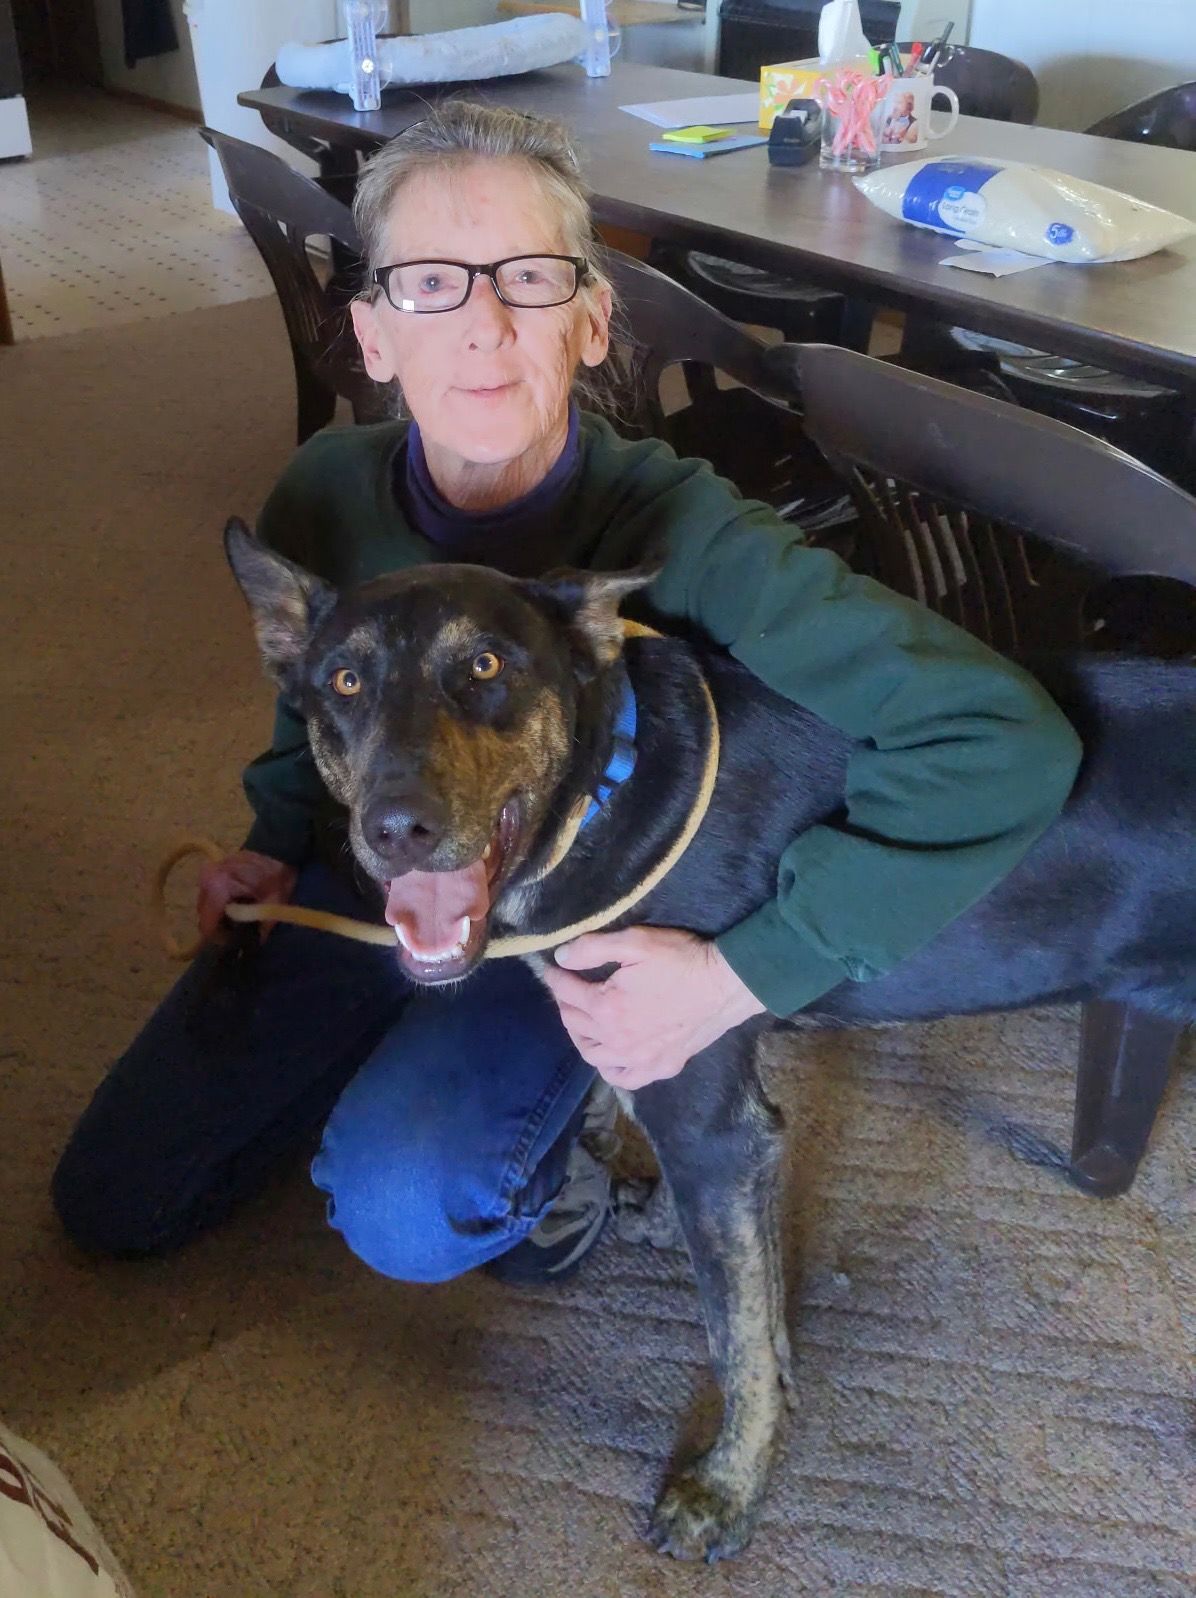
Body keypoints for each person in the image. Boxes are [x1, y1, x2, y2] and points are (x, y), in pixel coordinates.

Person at [53, 101, 1081, 1286]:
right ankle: (397, 1032)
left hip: (581, 918)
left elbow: (999, 737)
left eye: (531, 279)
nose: (484, 324)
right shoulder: (322, 496)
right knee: (114, 1196)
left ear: (594, 321)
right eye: (431, 281)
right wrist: (274, 845)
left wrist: (741, 975)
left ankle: (559, 1160)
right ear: (372, 333)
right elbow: (310, 728)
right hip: (379, 858)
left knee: (409, 1203)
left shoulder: (693, 535)